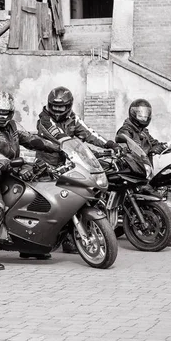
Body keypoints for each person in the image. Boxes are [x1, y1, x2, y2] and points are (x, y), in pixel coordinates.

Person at [0, 91, 60, 270]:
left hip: (5, 171)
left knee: (32, 197)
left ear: (11, 113)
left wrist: (57, 147)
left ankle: (28, 245)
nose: (2, 116)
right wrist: (14, 166)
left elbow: (32, 139)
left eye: (5, 113)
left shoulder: (12, 126)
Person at [36, 86, 120, 254]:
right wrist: (74, 144)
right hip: (46, 167)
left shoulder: (73, 119)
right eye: (54, 106)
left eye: (61, 107)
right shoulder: (44, 119)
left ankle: (70, 238)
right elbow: (59, 136)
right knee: (48, 203)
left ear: (69, 106)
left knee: (74, 199)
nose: (57, 110)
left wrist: (108, 143)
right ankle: (38, 240)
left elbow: (89, 132)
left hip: (68, 164)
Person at [116, 98, 171, 238]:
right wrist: (150, 150)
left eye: (145, 114)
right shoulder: (126, 131)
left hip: (146, 171)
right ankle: (158, 223)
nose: (143, 117)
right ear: (133, 114)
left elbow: (155, 144)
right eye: (140, 114)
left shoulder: (143, 131)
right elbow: (130, 147)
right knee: (157, 194)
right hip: (136, 173)